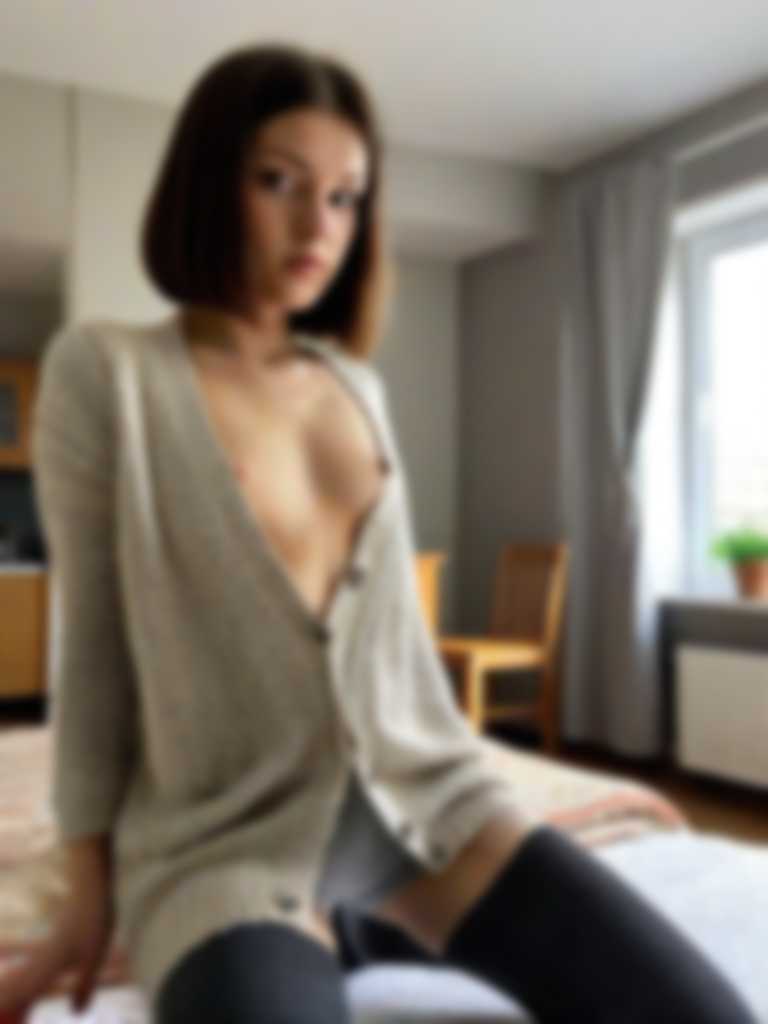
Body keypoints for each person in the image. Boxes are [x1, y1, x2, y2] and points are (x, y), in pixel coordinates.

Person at [0, 41, 757, 1024]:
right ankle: (334, 930)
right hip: (226, 847)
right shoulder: (108, 374)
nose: (318, 224)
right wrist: (87, 891)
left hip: (433, 802)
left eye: (345, 197)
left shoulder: (358, 386)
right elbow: (95, 658)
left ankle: (373, 920)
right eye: (278, 182)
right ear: (208, 181)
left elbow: (391, 642)